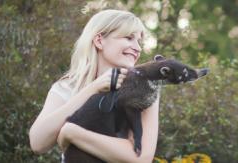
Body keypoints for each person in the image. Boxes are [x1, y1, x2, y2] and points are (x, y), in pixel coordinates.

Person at [29, 9, 158, 162]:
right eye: (129, 38)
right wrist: (93, 89)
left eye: (139, 41)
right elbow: (38, 143)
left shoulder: (144, 88)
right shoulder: (67, 87)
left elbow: (141, 158)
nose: (138, 48)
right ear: (99, 41)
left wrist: (72, 133)